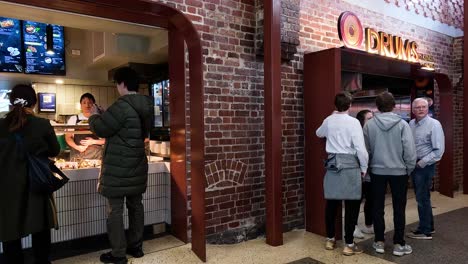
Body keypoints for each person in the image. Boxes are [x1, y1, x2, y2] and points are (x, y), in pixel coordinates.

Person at [88, 67, 153, 264]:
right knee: (136, 205)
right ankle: (136, 247)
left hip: (118, 168)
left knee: (115, 210)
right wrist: (107, 114)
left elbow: (100, 128)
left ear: (122, 83)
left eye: (117, 83)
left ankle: (118, 254)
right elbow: (130, 128)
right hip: (137, 164)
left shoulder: (121, 105)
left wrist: (93, 115)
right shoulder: (147, 105)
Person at [0, 84, 60, 264]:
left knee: (10, 231)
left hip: (7, 187)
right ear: (33, 103)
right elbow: (55, 150)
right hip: (36, 184)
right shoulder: (41, 124)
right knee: (40, 229)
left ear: (11, 102)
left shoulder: (1, 125)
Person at [363, 91, 416, 257]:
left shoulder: (369, 125)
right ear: (394, 106)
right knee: (399, 208)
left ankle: (379, 241)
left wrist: (369, 168)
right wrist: (409, 168)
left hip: (377, 171)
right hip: (399, 172)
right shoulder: (402, 125)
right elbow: (409, 150)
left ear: (377, 107)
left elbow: (366, 150)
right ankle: (399, 244)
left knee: (377, 207)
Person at [316, 92, 368, 256]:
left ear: (335, 105)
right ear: (350, 105)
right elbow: (360, 148)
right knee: (352, 206)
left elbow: (319, 133)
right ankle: (349, 244)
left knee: (331, 204)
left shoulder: (328, 120)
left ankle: (330, 239)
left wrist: (331, 117)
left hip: (333, 165)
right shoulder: (353, 122)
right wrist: (364, 166)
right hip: (351, 165)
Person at [407, 98, 444, 240]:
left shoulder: (434, 125)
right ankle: (428, 226)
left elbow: (438, 151)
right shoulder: (411, 124)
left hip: (425, 166)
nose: (421, 109)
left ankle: (425, 231)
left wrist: (421, 163)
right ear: (413, 109)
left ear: (428, 108)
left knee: (422, 198)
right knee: (422, 197)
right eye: (418, 107)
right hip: (415, 165)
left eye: (423, 107)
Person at [353, 109, 374, 239]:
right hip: (358, 173)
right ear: (362, 121)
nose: (372, 121)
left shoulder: (374, 133)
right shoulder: (357, 134)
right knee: (356, 200)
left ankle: (368, 224)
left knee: (371, 200)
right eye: (369, 118)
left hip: (371, 172)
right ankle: (353, 226)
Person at [65, 93, 105, 160]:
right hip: (77, 155)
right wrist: (77, 147)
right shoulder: (74, 119)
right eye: (84, 103)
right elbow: (68, 137)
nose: (87, 105)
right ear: (81, 105)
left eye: (90, 103)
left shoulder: (100, 119)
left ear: (94, 105)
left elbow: (107, 139)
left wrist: (93, 141)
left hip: (97, 156)